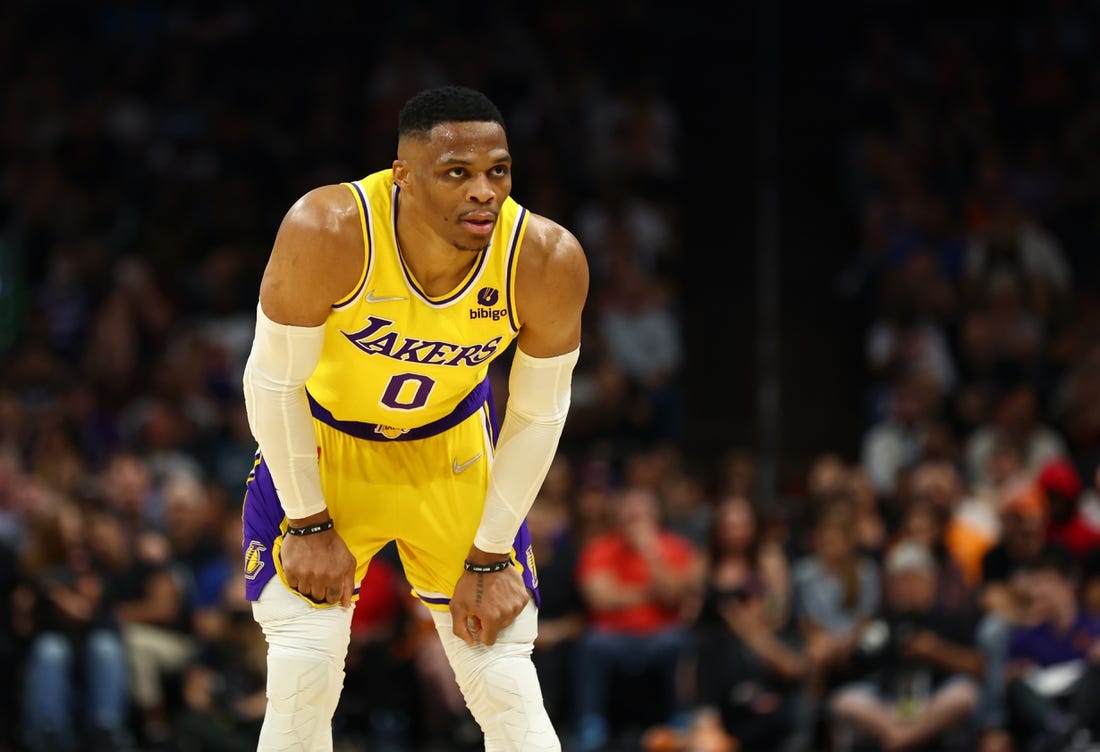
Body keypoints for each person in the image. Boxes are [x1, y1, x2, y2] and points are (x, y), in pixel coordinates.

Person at [239, 85, 588, 751]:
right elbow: (271, 380)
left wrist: (491, 554)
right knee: (303, 673)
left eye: (498, 171)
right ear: (403, 177)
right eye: (457, 173)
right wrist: (308, 521)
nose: (484, 191)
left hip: (451, 456)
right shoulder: (328, 228)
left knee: (506, 681)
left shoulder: (545, 257)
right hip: (324, 451)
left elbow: (541, 413)